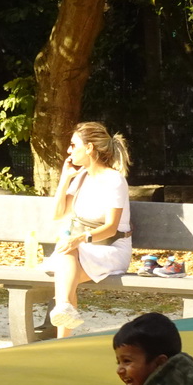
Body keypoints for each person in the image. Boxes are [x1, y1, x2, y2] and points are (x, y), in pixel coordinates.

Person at [45, 122, 132, 338]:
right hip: (83, 248)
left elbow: (111, 228)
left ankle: (61, 337)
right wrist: (65, 178)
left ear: (90, 148)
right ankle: (64, 308)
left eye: (73, 145)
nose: (69, 150)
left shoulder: (114, 180)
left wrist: (80, 238)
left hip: (111, 248)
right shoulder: (82, 177)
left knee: (66, 261)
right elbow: (57, 214)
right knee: (67, 267)